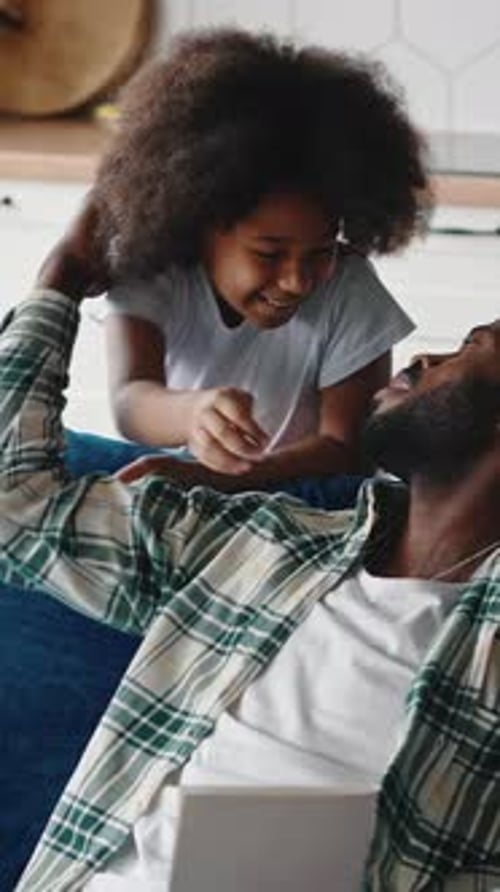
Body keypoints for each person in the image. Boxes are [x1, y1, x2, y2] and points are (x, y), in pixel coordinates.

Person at [1, 209, 499, 892]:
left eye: (474, 346)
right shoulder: (260, 542)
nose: (426, 356)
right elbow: (15, 507)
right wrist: (58, 283)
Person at [94, 27, 431, 492]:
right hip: (175, 477)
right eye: (269, 253)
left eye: (321, 250)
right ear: (201, 218)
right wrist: (194, 412)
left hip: (306, 496)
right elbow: (131, 402)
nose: (297, 280)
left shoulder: (349, 290)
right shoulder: (158, 275)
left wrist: (218, 477)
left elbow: (346, 449)